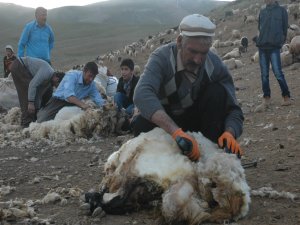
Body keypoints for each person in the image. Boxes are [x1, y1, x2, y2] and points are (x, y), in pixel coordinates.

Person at [133, 14, 244, 161]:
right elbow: (142, 94)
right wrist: (176, 133)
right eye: (193, 51)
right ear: (179, 42)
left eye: (203, 53)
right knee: (139, 124)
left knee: (217, 91)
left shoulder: (213, 64)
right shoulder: (162, 58)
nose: (198, 60)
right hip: (167, 124)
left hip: (197, 122)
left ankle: (209, 155)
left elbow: (233, 107)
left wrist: (230, 132)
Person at [37, 61, 106, 122]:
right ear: (84, 71)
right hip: (58, 101)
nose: (91, 79)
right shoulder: (72, 76)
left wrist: (106, 106)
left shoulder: (92, 85)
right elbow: (69, 96)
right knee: (42, 120)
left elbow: (98, 99)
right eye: (90, 76)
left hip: (74, 104)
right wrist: (84, 105)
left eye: (93, 77)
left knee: (80, 123)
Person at [254, 0, 291, 112]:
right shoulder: (262, 11)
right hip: (262, 47)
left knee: (278, 73)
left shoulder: (282, 11)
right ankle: (266, 98)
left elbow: (284, 29)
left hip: (274, 47)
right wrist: (259, 40)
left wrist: (279, 42)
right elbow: (260, 28)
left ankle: (286, 96)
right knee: (264, 74)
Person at [10, 56, 65, 127]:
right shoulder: (47, 72)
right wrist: (31, 103)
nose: (56, 87)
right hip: (20, 66)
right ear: (56, 78)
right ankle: (26, 124)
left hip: (25, 69)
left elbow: (38, 93)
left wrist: (37, 108)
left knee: (34, 95)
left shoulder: (48, 81)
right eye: (58, 84)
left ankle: (34, 120)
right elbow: (32, 85)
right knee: (27, 94)